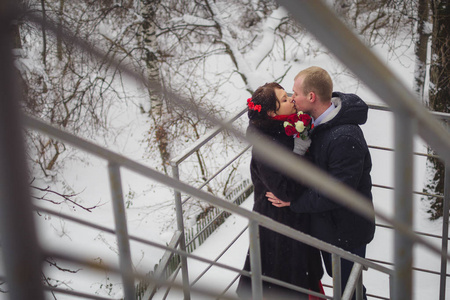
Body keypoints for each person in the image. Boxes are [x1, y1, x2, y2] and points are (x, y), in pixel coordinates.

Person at [266, 66, 375, 299]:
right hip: (329, 226)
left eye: (295, 94)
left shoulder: (344, 137)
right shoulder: (315, 123)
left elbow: (337, 192)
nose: (292, 98)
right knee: (342, 284)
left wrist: (293, 203)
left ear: (311, 97)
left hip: (347, 230)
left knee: (351, 289)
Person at [236, 82, 324, 300]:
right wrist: (308, 163)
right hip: (278, 225)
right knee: (283, 283)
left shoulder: (286, 126)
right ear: (271, 112)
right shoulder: (265, 147)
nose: (292, 100)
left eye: (288, 96)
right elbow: (284, 190)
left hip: (292, 220)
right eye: (284, 99)